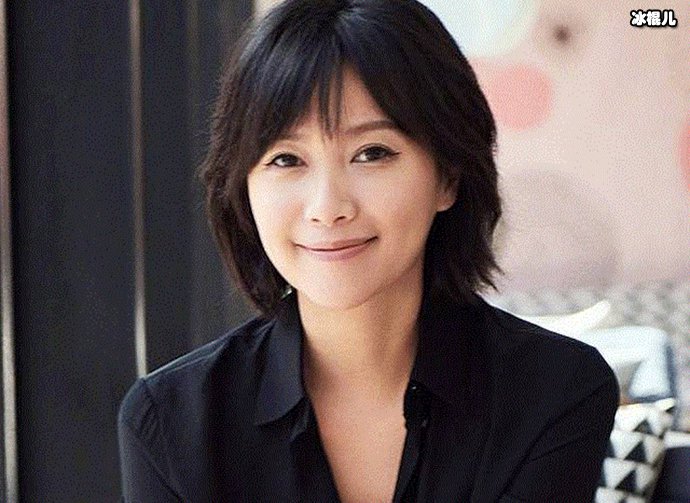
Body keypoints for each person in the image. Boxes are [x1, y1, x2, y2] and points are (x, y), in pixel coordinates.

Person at [117, 0, 619, 501]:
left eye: (371, 153)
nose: (327, 208)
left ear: (448, 176)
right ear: (243, 187)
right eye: (286, 159)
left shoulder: (555, 393)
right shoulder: (170, 425)